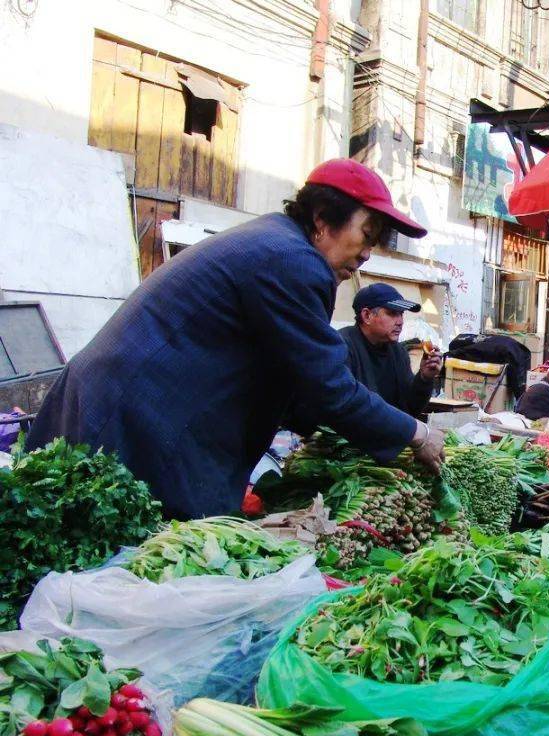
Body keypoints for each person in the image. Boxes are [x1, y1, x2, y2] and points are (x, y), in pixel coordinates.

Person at [26, 158, 445, 518]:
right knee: (118, 565)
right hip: (132, 419)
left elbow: (297, 382)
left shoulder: (276, 242)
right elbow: (327, 387)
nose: (368, 252)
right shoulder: (293, 262)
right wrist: (416, 434)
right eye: (367, 234)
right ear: (321, 219)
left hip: (117, 404)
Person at [336, 283, 441, 417]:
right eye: (392, 313)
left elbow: (410, 409)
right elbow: (346, 406)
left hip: (386, 433)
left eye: (401, 314)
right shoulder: (342, 346)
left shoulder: (398, 352)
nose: (400, 321)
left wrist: (424, 378)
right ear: (367, 315)